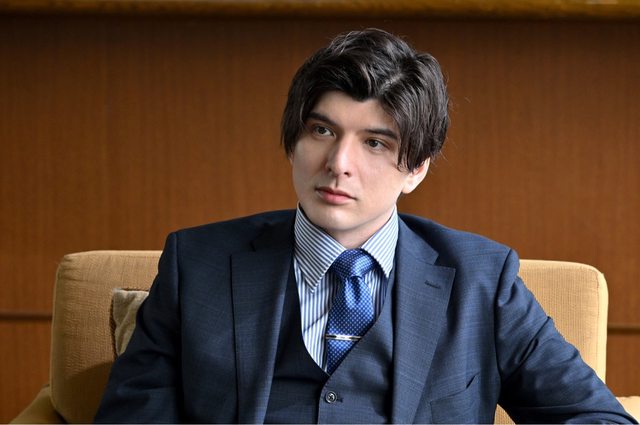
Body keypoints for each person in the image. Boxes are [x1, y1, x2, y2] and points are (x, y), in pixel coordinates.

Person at [95, 28, 636, 424]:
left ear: (416, 168)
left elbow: (598, 418)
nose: (339, 164)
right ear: (293, 141)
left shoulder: (482, 280)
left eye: (375, 143)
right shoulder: (198, 264)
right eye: (322, 131)